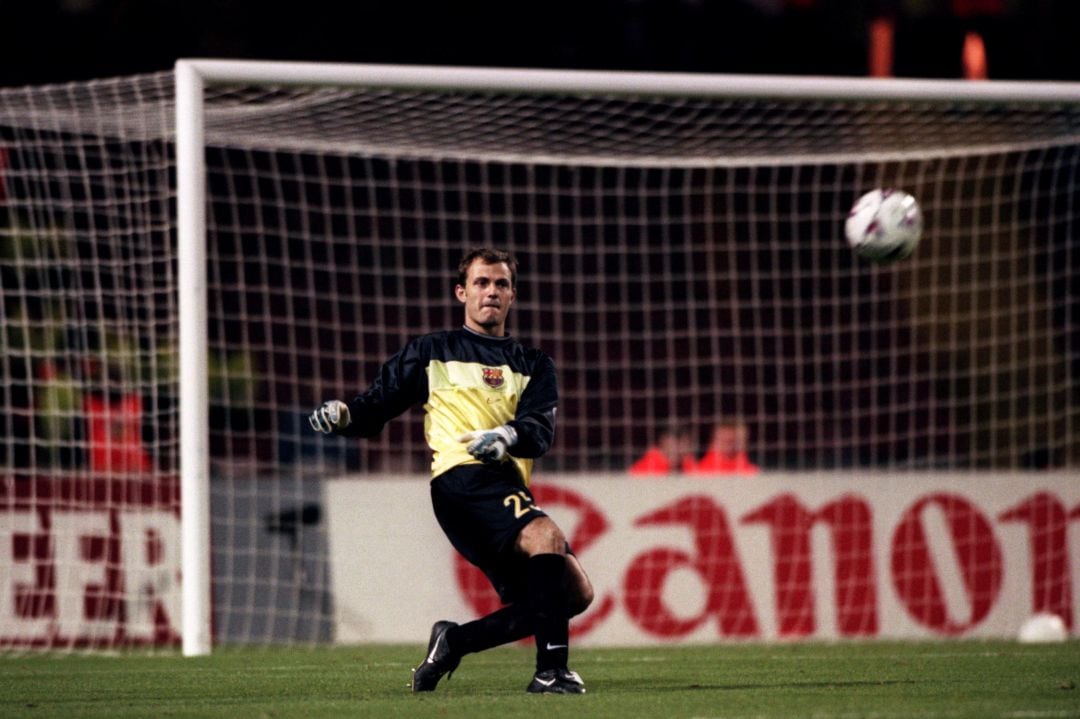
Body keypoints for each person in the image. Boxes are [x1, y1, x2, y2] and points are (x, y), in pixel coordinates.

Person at [309, 247, 593, 694]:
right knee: (546, 536)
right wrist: (344, 414)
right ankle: (550, 672)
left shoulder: (535, 364)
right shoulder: (432, 351)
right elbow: (375, 405)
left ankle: (453, 641)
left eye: (501, 284)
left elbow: (539, 430)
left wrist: (506, 437)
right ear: (462, 292)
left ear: (513, 295)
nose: (491, 292)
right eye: (482, 283)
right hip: (460, 479)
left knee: (574, 594)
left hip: (503, 481)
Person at [688, 420, 759, 476]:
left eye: (734, 441)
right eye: (725, 441)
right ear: (713, 442)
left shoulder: (756, 472)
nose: (730, 447)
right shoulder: (695, 471)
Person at [628, 426, 695, 476]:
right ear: (663, 442)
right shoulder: (647, 467)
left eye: (687, 445)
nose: (682, 450)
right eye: (673, 445)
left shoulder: (687, 464)